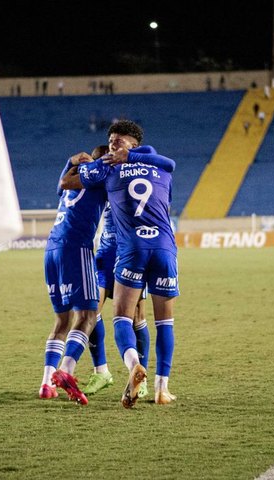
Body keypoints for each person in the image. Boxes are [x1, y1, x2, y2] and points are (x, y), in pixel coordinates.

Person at [64, 120, 179, 408]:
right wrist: (127, 157)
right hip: (163, 247)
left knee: (126, 318)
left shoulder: (108, 168)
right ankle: (159, 388)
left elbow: (67, 182)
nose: (113, 144)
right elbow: (170, 163)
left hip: (130, 249)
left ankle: (133, 366)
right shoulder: (159, 166)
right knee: (161, 321)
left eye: (119, 140)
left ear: (135, 145)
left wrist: (76, 163)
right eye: (111, 139)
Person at [38, 145, 108, 405]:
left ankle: (46, 384)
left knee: (62, 321)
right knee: (88, 315)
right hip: (75, 248)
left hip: (51, 249)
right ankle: (66, 371)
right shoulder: (102, 173)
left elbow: (60, 186)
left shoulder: (74, 177)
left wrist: (69, 162)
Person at [83, 144, 152, 398]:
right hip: (105, 253)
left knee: (136, 317)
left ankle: (141, 378)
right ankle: (101, 371)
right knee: (92, 311)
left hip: (130, 254)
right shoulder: (100, 183)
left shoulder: (133, 176)